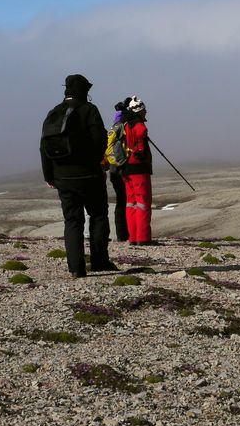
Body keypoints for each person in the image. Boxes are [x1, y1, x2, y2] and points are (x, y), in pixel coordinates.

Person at [40, 74, 116, 278]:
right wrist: (96, 162)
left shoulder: (54, 113)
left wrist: (50, 176)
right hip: (90, 174)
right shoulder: (89, 110)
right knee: (98, 215)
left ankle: (76, 268)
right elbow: (101, 141)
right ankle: (100, 262)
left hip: (63, 177)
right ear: (85, 91)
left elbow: (43, 147)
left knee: (72, 221)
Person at [122, 96, 154, 246]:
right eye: (144, 110)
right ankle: (143, 237)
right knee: (143, 202)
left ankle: (133, 237)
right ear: (139, 111)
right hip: (139, 169)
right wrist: (141, 149)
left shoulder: (125, 123)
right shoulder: (138, 124)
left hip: (126, 168)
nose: (146, 112)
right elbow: (141, 132)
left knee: (131, 203)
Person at [106, 99, 130, 243]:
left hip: (114, 168)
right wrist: (122, 162)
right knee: (123, 201)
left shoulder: (115, 125)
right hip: (120, 168)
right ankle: (123, 234)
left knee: (121, 201)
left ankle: (122, 234)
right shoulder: (122, 126)